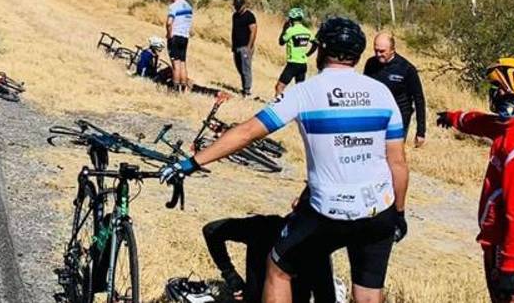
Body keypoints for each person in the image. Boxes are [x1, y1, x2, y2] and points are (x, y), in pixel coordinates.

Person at [162, 17, 409, 303]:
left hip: (328, 212)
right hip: (380, 210)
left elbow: (246, 133)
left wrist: (192, 162)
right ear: (358, 54)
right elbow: (398, 163)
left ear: (321, 49)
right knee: (368, 293)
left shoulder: (305, 92)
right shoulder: (381, 93)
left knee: (279, 268)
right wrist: (399, 215)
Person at [435, 58, 514, 303]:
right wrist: (455, 118)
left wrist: (509, 265)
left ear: (508, 90)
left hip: (505, 242)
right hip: (497, 238)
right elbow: (483, 122)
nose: (492, 95)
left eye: (495, 89)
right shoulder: (511, 126)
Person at [203, 214, 336, 302]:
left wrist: (231, 277)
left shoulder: (265, 226)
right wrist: (232, 278)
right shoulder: (315, 245)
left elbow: (212, 231)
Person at [363, 33, 426, 148]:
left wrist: (421, 131)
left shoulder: (406, 69)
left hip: (398, 119)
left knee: (393, 154)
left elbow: (419, 99)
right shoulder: (370, 64)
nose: (378, 54)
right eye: (376, 50)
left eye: (382, 51)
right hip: (376, 116)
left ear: (392, 50)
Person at [274, 8, 317, 97]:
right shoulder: (307, 31)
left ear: (291, 19)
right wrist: (308, 54)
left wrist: (284, 29)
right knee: (300, 89)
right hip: (303, 64)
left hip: (293, 63)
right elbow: (316, 43)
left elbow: (281, 42)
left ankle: (278, 106)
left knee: (279, 87)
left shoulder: (291, 31)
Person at [165, 0, 193, 91]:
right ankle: (183, 88)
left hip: (175, 37)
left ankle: (175, 89)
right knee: (183, 63)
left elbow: (169, 22)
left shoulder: (174, 6)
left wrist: (169, 34)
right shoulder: (189, 7)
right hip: (184, 37)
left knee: (175, 65)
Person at [231, 0, 258, 96]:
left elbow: (253, 31)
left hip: (245, 47)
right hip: (236, 47)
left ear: (244, 5)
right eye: (235, 6)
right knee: (239, 68)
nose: (237, 8)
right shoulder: (235, 16)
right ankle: (244, 87)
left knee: (246, 68)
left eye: (238, 6)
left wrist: (249, 47)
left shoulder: (249, 16)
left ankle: (247, 90)